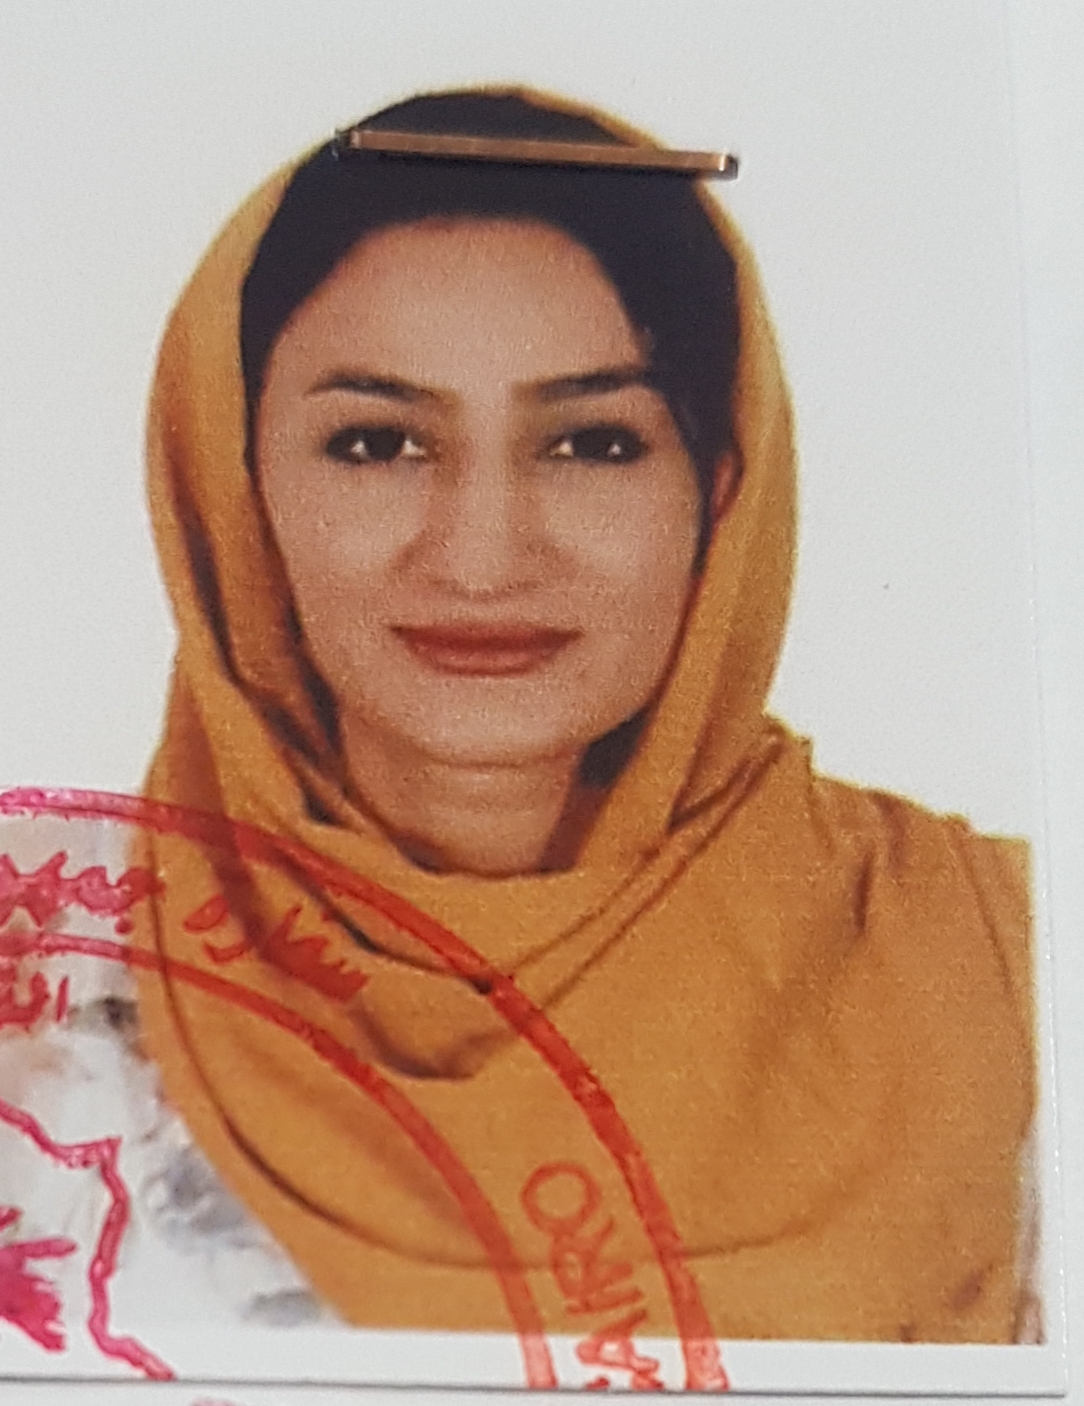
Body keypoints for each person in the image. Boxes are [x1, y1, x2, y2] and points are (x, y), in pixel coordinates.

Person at [0, 89, 1037, 1360]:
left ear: (716, 492)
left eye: (592, 444)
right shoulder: (33, 980)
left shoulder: (1005, 957)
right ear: (234, 484)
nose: (483, 554)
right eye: (376, 443)